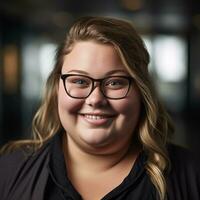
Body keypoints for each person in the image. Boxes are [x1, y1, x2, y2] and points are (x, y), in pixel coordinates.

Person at [0, 16, 199, 200]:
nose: (95, 99)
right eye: (79, 81)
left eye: (114, 82)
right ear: (56, 90)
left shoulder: (192, 175)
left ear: (142, 92)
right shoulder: (7, 172)